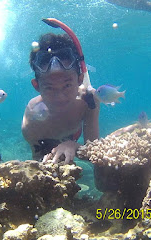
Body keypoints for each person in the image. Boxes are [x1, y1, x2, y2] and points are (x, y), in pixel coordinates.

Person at [21, 33, 100, 164]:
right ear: (36, 86)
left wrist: (74, 145)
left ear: (80, 80)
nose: (60, 97)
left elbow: (95, 152)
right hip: (48, 142)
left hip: (74, 135)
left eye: (67, 85)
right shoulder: (32, 123)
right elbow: (41, 166)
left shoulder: (88, 100)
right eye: (50, 88)